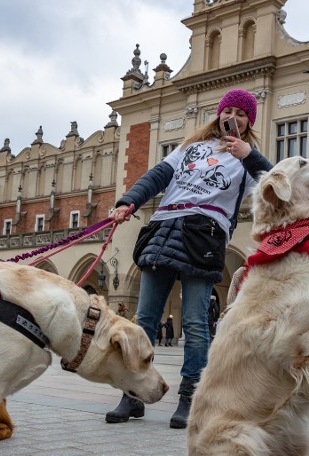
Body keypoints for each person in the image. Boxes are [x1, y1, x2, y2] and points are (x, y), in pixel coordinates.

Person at [104, 89, 273, 428]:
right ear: (219, 113)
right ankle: (132, 395)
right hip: (165, 227)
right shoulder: (189, 147)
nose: (234, 118)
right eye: (230, 111)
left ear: (249, 122)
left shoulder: (246, 156)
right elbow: (156, 177)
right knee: (146, 318)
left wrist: (250, 155)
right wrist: (128, 202)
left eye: (243, 115)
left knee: (196, 323)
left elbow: (275, 185)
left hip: (204, 234)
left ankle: (190, 398)